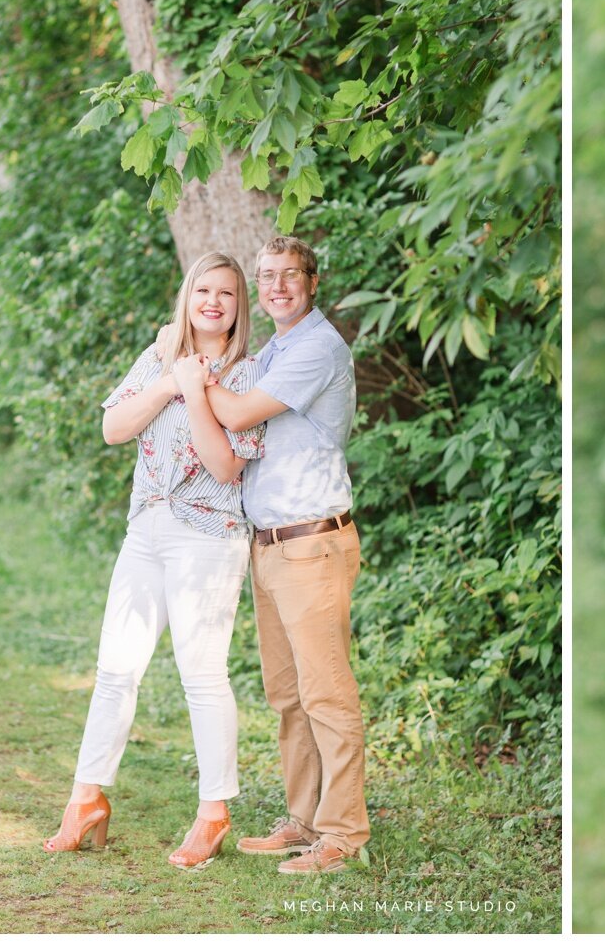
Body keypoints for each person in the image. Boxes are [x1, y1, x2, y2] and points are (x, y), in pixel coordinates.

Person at [43, 251, 265, 870]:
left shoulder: (248, 374)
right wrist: (172, 379)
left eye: (225, 293)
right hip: (146, 529)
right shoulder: (159, 356)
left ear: (237, 306)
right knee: (116, 668)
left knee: (202, 675)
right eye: (203, 291)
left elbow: (226, 466)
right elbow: (114, 427)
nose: (213, 302)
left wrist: (196, 390)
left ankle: (213, 813)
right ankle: (85, 799)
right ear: (188, 298)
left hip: (209, 536)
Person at [198, 236, 367, 875]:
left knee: (326, 695)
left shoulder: (318, 347)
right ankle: (303, 821)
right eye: (266, 276)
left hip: (311, 546)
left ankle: (343, 833)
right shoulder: (277, 348)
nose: (276, 287)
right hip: (270, 548)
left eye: (289, 275)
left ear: (312, 281)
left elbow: (239, 414)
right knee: (289, 696)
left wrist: (189, 376)